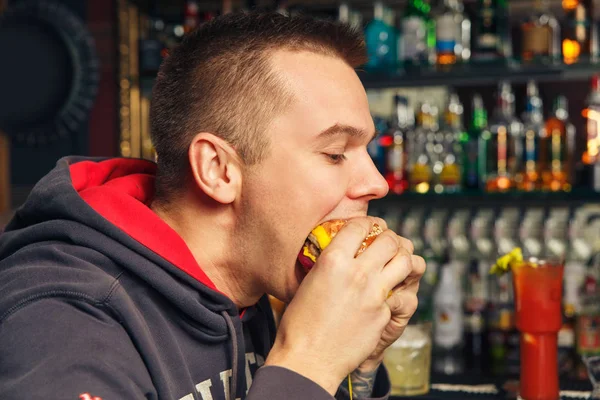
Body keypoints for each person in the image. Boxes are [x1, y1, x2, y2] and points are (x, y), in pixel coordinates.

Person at [0, 11, 425, 400]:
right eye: (335, 153)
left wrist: (357, 362)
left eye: (365, 152)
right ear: (220, 170)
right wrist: (307, 362)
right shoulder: (63, 322)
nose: (376, 184)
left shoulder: (251, 281)